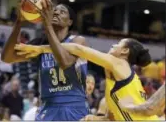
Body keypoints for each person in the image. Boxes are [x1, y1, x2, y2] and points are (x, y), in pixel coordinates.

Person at [15, 38, 160, 120]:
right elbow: (117, 118)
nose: (113, 44)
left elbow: (79, 50)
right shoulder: (121, 78)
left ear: (124, 51)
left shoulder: (120, 63)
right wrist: (97, 119)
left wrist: (41, 49)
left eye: (118, 43)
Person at [1, 0, 89, 121]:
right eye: (54, 11)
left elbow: (65, 62)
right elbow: (7, 57)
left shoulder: (78, 40)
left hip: (74, 107)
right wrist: (19, 22)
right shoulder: (40, 44)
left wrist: (48, 26)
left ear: (70, 22)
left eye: (62, 11)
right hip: (48, 108)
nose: (56, 13)